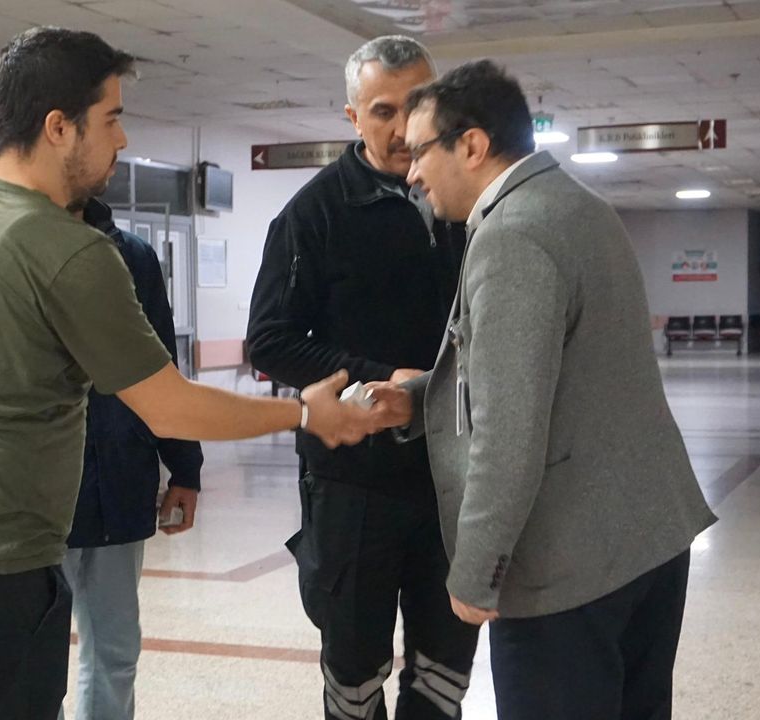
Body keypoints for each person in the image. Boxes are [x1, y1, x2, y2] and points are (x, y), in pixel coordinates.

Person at [0, 26, 394, 720]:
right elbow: (169, 406)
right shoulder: (70, 250)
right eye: (110, 119)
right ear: (58, 127)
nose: (123, 140)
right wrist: (308, 413)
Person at [365, 59, 717, 720]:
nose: (410, 173)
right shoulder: (580, 205)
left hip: (570, 571)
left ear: (471, 145)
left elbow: (510, 430)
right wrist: (420, 396)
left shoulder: (512, 236)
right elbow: (560, 367)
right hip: (649, 539)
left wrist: (477, 570)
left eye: (419, 152)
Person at [246, 35, 475, 720]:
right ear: (352, 117)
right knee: (353, 675)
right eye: (382, 111)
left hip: (451, 479)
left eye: (417, 105)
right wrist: (383, 378)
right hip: (353, 485)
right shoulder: (314, 213)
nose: (403, 127)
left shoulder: (465, 204)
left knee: (444, 672)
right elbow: (270, 341)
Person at [62, 196, 204, 720]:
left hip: (120, 478)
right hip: (36, 494)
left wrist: (185, 467)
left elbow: (162, 367)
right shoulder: (12, 245)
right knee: (33, 661)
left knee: (116, 653)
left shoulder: (133, 256)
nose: (115, 155)